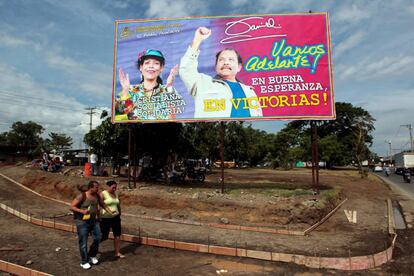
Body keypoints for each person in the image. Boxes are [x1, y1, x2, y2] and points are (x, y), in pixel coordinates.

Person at [179, 26, 263, 119]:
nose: (226, 62)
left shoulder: (249, 91)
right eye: (221, 60)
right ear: (216, 67)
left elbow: (259, 117)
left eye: (231, 59)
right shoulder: (202, 83)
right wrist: (197, 40)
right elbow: (185, 70)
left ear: (239, 67)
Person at [115, 49, 182, 121]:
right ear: (141, 67)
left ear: (161, 68)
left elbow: (172, 119)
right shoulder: (130, 90)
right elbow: (119, 118)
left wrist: (169, 85)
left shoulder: (169, 90)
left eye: (156, 63)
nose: (151, 66)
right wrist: (125, 92)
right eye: (147, 63)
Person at [70, 181, 113, 270]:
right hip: (82, 222)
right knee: (83, 243)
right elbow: (72, 207)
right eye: (96, 187)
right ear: (91, 187)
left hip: (94, 221)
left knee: (98, 237)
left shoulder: (97, 196)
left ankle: (92, 255)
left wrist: (110, 211)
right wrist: (82, 211)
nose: (98, 189)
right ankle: (84, 261)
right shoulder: (82, 196)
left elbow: (103, 204)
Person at [99, 180, 124, 259]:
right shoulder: (103, 193)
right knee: (104, 236)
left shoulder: (116, 193)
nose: (115, 189)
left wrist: (119, 212)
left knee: (117, 235)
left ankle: (117, 252)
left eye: (115, 187)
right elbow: (99, 204)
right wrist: (98, 216)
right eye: (113, 187)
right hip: (105, 217)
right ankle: (94, 245)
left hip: (115, 217)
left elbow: (117, 203)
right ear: (108, 186)